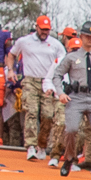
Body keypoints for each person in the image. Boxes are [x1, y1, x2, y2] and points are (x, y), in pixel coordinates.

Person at [46, 34, 91, 178]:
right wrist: (60, 93)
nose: (90, 39)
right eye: (87, 36)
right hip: (76, 97)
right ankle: (69, 157)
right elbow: (57, 75)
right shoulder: (71, 57)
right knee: (71, 129)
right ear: (82, 37)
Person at [10, 16, 66, 160]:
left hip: (48, 82)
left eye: (47, 30)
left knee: (47, 115)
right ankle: (30, 145)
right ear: (36, 27)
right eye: (42, 29)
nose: (44, 32)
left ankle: (42, 144)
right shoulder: (24, 41)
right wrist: (11, 70)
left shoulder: (56, 44)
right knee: (31, 111)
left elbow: (63, 62)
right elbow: (11, 54)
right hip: (30, 80)